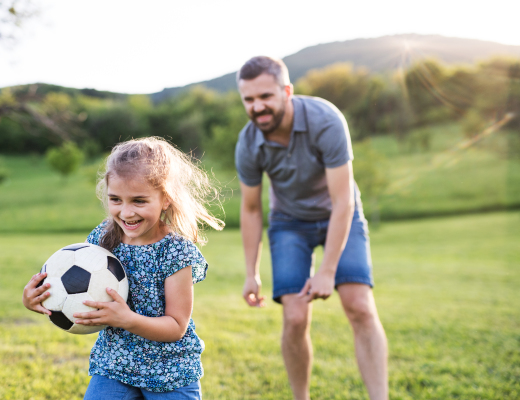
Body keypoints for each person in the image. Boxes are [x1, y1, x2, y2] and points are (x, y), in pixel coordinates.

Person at [235, 56, 389, 400]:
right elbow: (250, 209)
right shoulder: (248, 144)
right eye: (249, 100)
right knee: (294, 316)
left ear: (286, 91)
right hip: (289, 223)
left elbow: (343, 201)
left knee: (359, 305)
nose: (257, 106)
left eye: (265, 96)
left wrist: (327, 271)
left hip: (339, 213)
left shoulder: (326, 120)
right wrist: (251, 272)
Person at [23, 137, 224, 399]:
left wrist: (126, 319)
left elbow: (176, 326)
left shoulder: (175, 251)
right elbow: (75, 292)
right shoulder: (102, 239)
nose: (126, 212)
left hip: (169, 371)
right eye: (116, 199)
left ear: (166, 198)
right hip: (114, 365)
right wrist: (38, 298)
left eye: (139, 201)